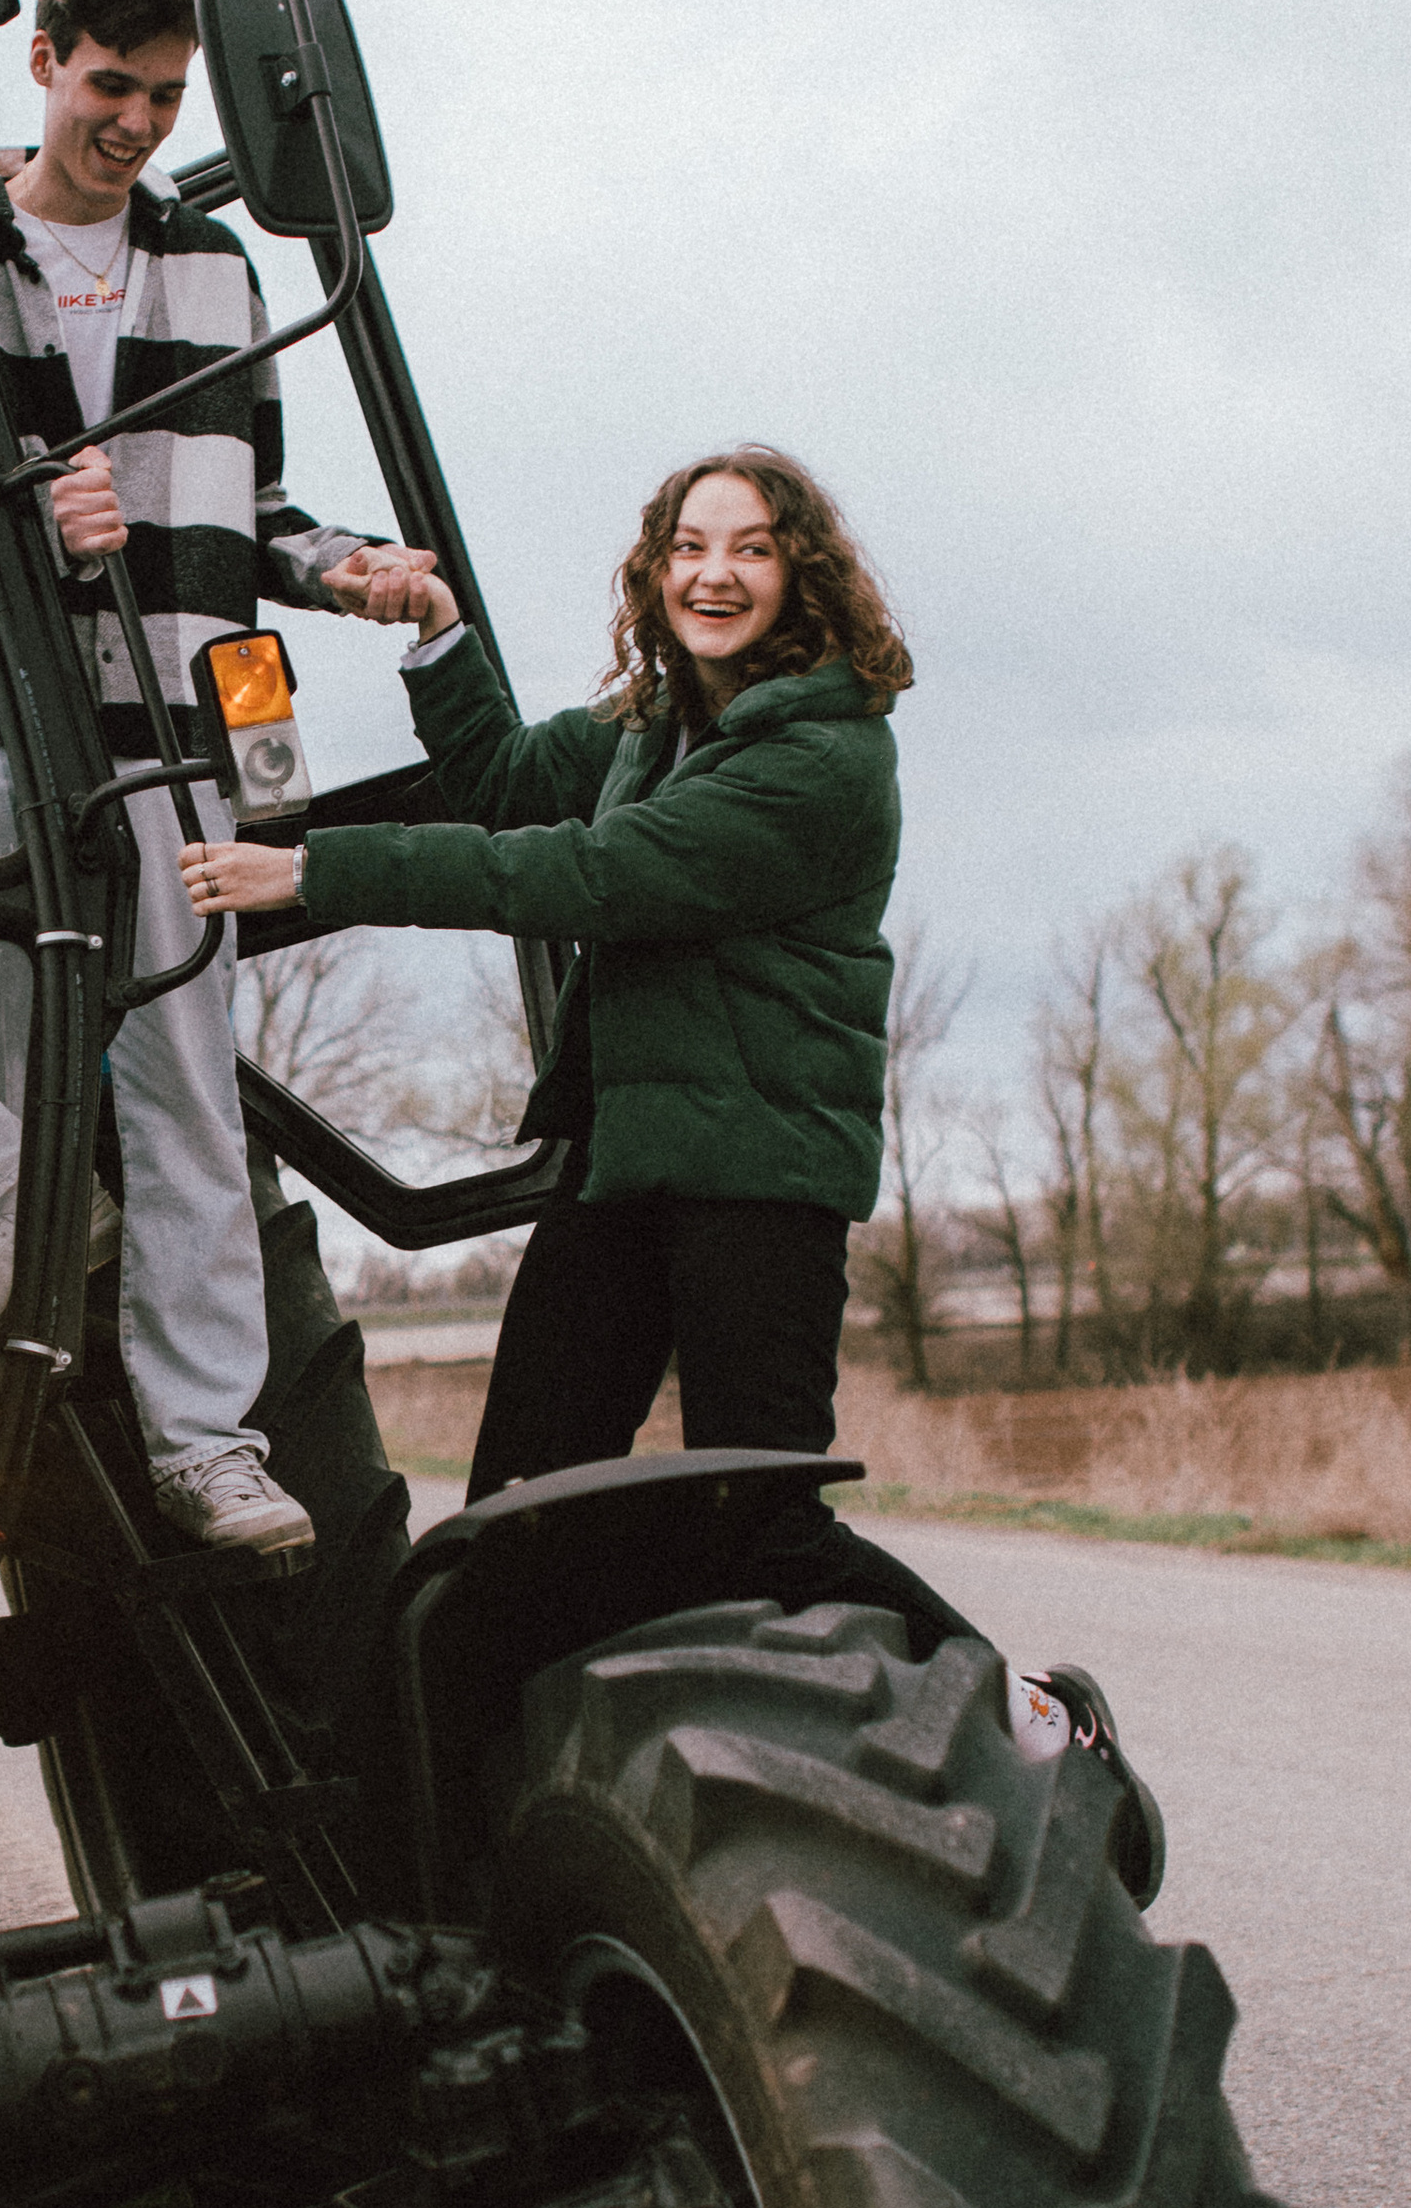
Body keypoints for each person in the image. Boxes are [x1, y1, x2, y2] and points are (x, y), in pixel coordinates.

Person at [0, 0, 440, 1555]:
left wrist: (355, 574)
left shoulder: (215, 268)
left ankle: (209, 1444)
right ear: (49, 61)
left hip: (163, 727)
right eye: (111, 85)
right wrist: (20, 533)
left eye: (164, 93)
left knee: (185, 1075)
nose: (134, 121)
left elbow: (248, 505)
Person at [175, 445, 967, 1646]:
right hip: (628, 1161)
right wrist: (436, 628)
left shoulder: (822, 760)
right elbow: (500, 783)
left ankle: (1012, 1716)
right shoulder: (657, 726)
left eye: (751, 549)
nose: (715, 574)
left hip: (755, 1177)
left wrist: (310, 869)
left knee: (761, 1523)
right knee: (517, 1521)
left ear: (801, 577)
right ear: (656, 571)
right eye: (690, 547)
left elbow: (583, 874)